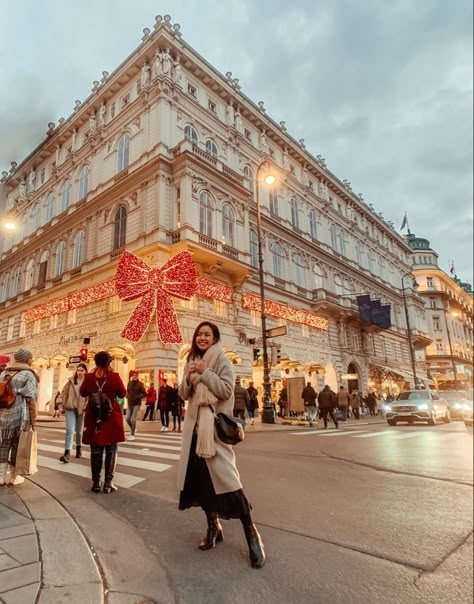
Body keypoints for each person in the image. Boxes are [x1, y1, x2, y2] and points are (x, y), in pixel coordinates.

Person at [178, 321, 265, 568]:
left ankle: (251, 533)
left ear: (215, 338)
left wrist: (205, 372)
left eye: (207, 335)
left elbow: (226, 391)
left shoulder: (222, 360)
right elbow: (184, 394)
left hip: (213, 432)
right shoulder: (190, 360)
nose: (202, 338)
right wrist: (187, 377)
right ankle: (213, 526)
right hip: (195, 432)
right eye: (199, 335)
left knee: (229, 483)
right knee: (203, 485)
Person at [80, 351, 126, 493]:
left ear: (95, 362)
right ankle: (108, 483)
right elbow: (122, 393)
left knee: (96, 451)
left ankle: (95, 483)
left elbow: (82, 392)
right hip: (111, 416)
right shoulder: (114, 377)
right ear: (109, 363)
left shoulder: (89, 378)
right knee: (111, 450)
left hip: (94, 417)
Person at [0, 348, 39, 486]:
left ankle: (1, 475)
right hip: (20, 413)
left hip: (4, 414)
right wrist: (33, 419)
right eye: (31, 358)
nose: (32, 360)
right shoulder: (29, 374)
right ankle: (14, 476)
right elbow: (31, 399)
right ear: (27, 359)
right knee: (17, 444)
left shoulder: (5, 372)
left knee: (4, 444)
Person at [59, 363, 88, 463]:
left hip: (81, 409)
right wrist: (63, 403)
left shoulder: (87, 382)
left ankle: (79, 448)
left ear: (85, 372)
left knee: (79, 431)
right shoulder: (71, 381)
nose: (79, 372)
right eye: (78, 370)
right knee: (70, 430)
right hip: (70, 408)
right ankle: (67, 453)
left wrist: (86, 405)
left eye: (82, 370)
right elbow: (64, 391)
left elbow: (90, 396)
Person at [126, 371, 146, 440]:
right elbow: (127, 391)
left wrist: (139, 397)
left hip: (136, 404)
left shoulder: (140, 384)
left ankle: (132, 435)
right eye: (134, 375)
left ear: (137, 376)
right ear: (132, 376)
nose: (135, 376)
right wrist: (127, 395)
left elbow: (144, 393)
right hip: (129, 403)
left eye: (136, 375)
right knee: (127, 418)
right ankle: (133, 428)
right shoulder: (129, 383)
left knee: (133, 419)